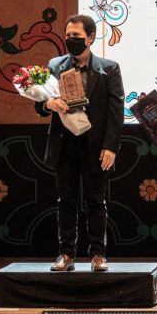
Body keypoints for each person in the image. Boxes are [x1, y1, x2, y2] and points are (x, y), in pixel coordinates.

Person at [35, 15, 124, 273]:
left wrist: (111, 147)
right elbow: (39, 105)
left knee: (96, 200)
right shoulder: (55, 65)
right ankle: (66, 254)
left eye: (77, 36)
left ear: (91, 37)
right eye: (68, 35)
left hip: (95, 146)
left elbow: (116, 111)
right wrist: (49, 103)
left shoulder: (109, 68)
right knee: (66, 201)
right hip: (65, 145)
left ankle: (98, 255)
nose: (71, 40)